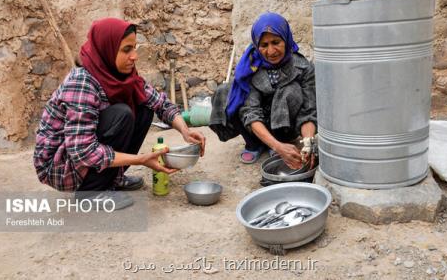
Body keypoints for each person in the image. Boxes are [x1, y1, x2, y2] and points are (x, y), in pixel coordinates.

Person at [33, 17, 205, 208]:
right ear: (107, 49)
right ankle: (91, 192)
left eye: (134, 48)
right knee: (122, 114)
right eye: (126, 50)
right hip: (60, 165)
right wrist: (141, 160)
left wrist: (185, 130)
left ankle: (112, 179)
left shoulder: (122, 74)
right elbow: (82, 150)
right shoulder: (82, 83)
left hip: (79, 155)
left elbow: (159, 103)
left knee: (143, 108)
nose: (134, 56)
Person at [210, 12, 316, 170]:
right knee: (227, 91)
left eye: (276, 42)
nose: (271, 51)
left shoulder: (303, 67)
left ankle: (282, 140)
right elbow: (250, 111)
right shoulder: (250, 67)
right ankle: (255, 144)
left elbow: (309, 111)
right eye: (264, 45)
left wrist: (308, 144)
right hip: (257, 123)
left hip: (285, 126)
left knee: (290, 90)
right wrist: (277, 147)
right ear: (256, 45)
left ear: (285, 40)